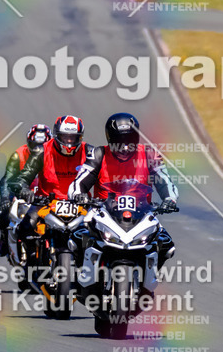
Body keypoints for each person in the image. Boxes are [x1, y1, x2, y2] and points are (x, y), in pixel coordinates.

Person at [68, 112, 178, 268]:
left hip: (141, 213)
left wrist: (169, 199)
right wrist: (78, 195)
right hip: (102, 211)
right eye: (119, 140)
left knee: (166, 244)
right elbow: (80, 181)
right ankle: (81, 275)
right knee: (76, 238)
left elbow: (165, 181)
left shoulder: (149, 154)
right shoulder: (98, 154)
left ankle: (151, 276)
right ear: (110, 138)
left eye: (129, 139)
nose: (125, 145)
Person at [9, 115, 87, 252]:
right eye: (65, 137)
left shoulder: (89, 152)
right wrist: (24, 189)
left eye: (73, 138)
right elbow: (25, 175)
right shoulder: (42, 151)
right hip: (45, 203)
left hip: (79, 205)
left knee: (96, 233)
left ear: (80, 137)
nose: (69, 142)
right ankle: (32, 261)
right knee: (25, 228)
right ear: (57, 135)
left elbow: (103, 176)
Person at [0, 123, 51, 257]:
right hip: (21, 193)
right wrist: (4, 200)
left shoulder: (54, 155)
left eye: (42, 146)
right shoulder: (18, 155)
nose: (38, 150)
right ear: (29, 143)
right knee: (3, 218)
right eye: (35, 145)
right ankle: (4, 238)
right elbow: (6, 179)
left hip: (44, 195)